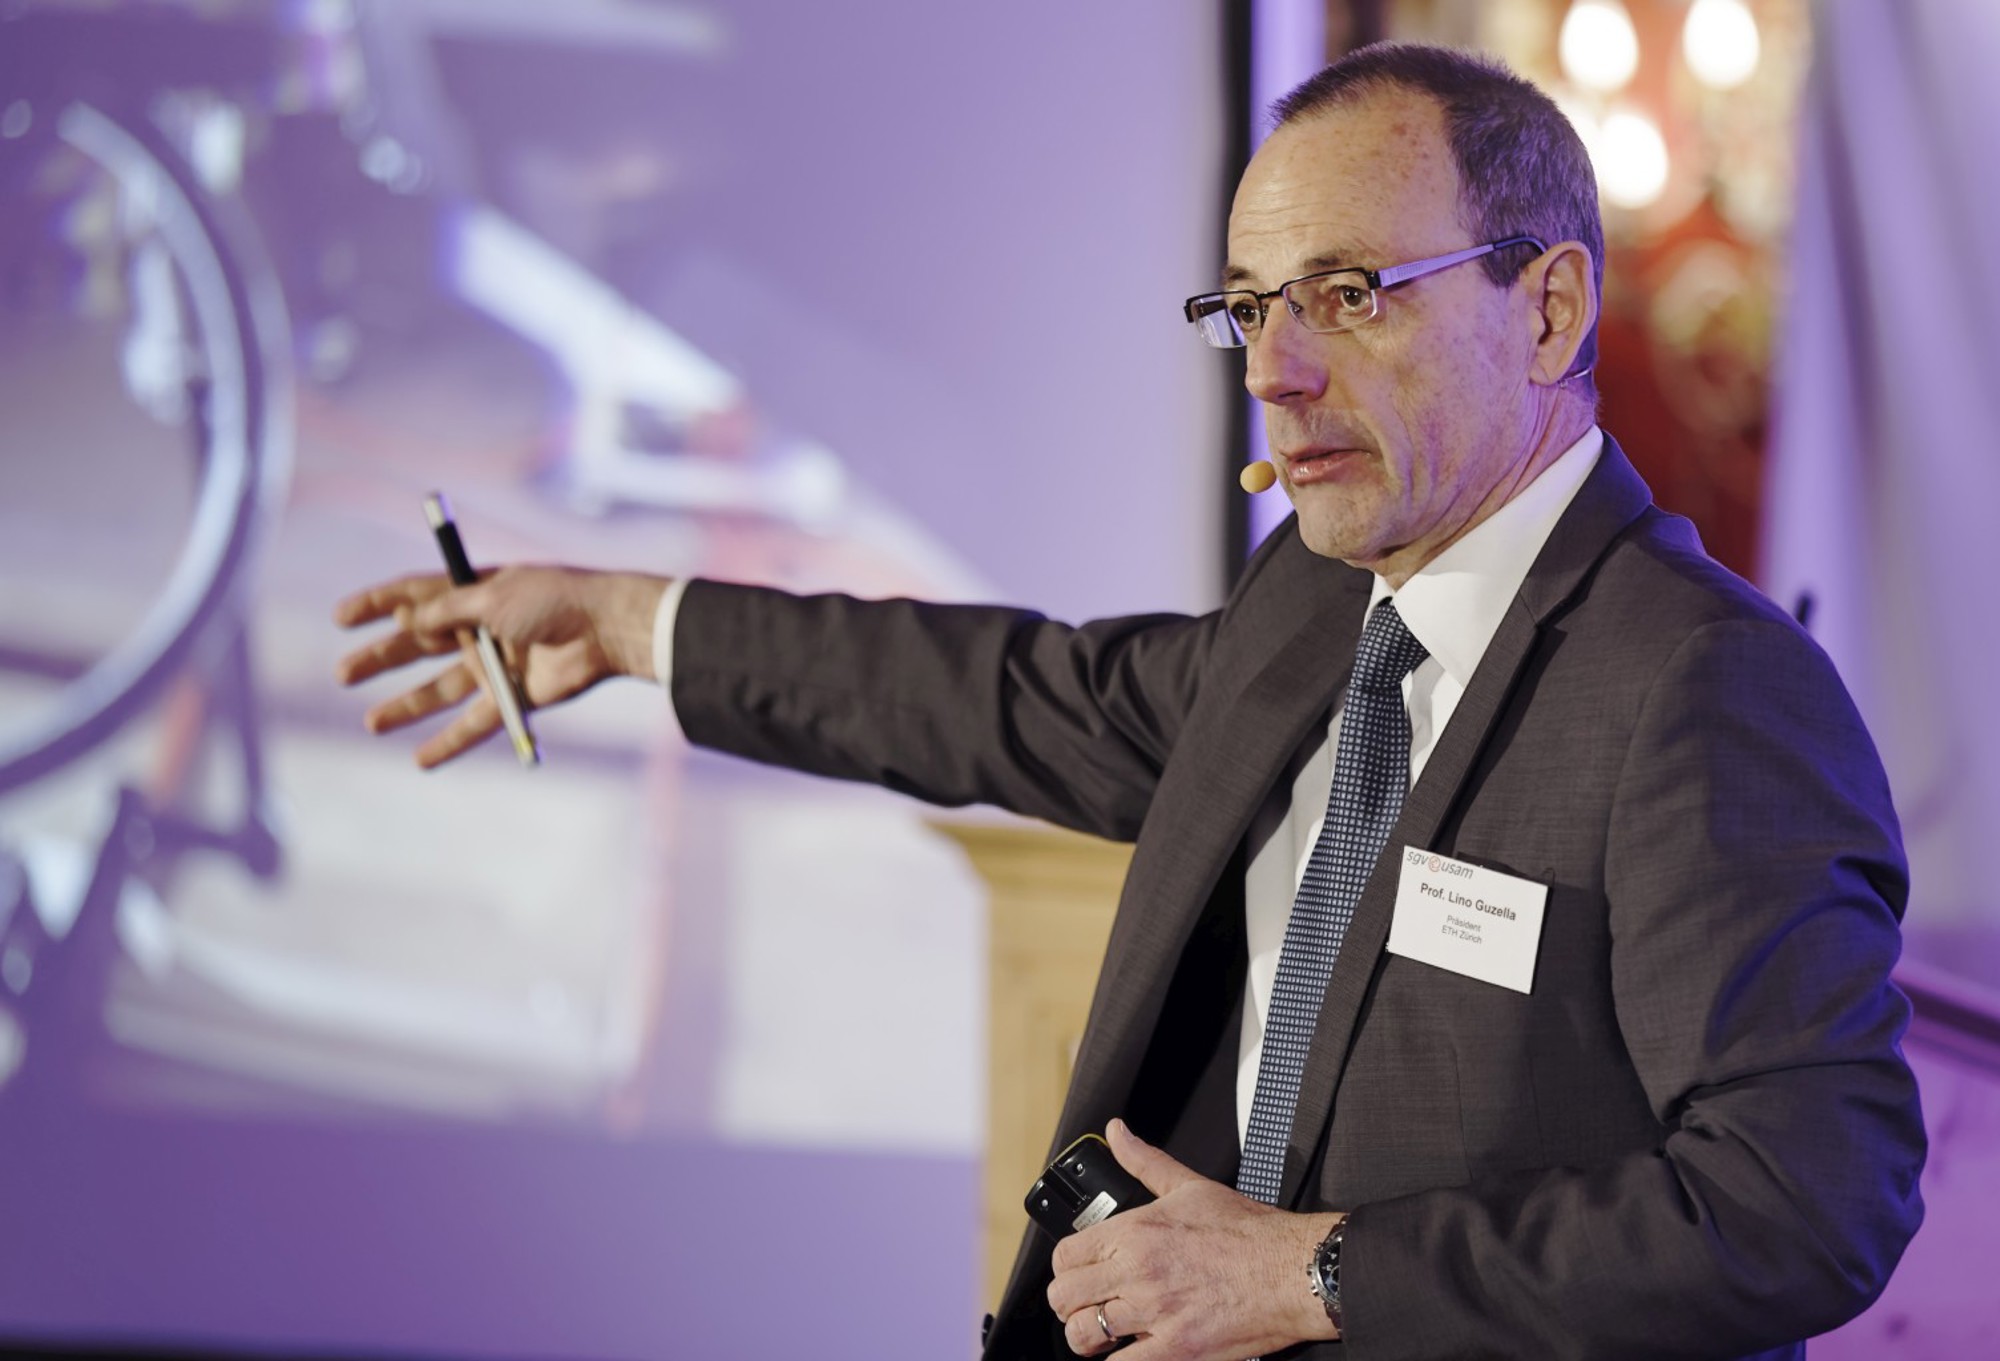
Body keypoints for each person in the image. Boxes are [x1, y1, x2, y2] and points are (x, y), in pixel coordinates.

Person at [334, 43, 1924, 1361]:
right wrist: (630, 621)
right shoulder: (1314, 604)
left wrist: (1313, 1273)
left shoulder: (1706, 689)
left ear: (1551, 309)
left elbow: (1807, 1201)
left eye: (1350, 293)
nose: (1276, 372)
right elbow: (1008, 695)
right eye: (1250, 307)